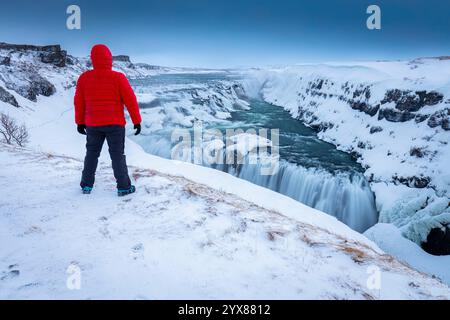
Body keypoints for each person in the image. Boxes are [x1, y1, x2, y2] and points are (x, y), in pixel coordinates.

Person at [74, 44, 142, 196]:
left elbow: (79, 102)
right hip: (115, 124)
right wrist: (136, 120)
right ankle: (124, 187)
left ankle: (86, 185)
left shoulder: (84, 78)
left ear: (93, 59)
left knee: (91, 154)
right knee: (117, 155)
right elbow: (130, 100)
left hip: (93, 124)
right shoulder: (118, 78)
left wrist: (80, 122)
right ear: (109, 59)